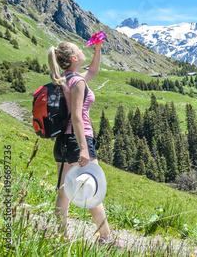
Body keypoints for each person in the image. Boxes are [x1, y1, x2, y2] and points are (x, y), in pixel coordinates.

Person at [48, 40, 123, 248]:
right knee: (91, 188)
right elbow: (77, 117)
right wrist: (83, 148)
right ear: (74, 58)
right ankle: (106, 239)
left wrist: (97, 50)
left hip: (62, 141)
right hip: (79, 139)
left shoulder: (66, 80)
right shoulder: (78, 83)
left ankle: (60, 237)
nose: (82, 50)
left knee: (64, 190)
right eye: (79, 50)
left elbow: (94, 72)